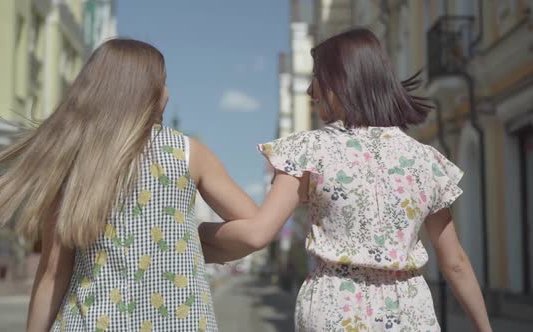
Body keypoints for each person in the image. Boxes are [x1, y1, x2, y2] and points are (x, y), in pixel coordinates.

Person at [0, 38, 257, 332]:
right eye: (163, 82)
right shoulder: (187, 153)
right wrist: (193, 240)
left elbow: (53, 273)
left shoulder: (75, 158)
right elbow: (251, 227)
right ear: (145, 91)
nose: (168, 92)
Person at [199, 28, 492, 332]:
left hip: (335, 311)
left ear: (340, 82)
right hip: (409, 313)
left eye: (317, 77)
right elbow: (455, 262)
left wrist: (191, 234)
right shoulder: (425, 161)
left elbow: (256, 234)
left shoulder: (308, 151)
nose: (310, 91)